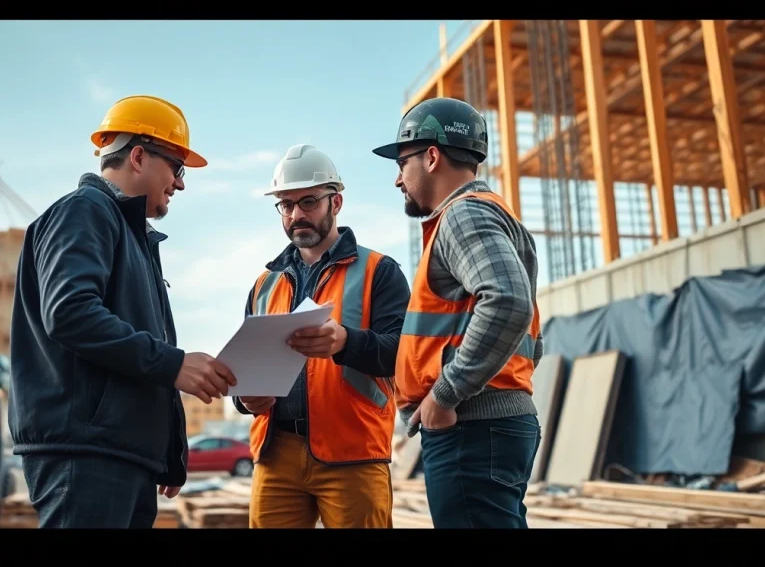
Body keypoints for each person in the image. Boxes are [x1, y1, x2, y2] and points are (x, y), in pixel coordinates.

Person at [8, 94, 238, 528]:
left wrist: (167, 449)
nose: (181, 183)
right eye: (177, 167)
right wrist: (173, 364)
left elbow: (133, 343)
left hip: (117, 454)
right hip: (86, 454)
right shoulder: (85, 212)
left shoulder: (130, 234)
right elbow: (71, 313)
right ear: (137, 156)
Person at [372, 97, 544, 529]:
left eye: (402, 162)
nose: (398, 179)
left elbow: (509, 302)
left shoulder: (462, 215)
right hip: (490, 423)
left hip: (470, 427)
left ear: (431, 157)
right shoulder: (494, 215)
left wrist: (445, 395)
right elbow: (528, 336)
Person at [233, 144, 411, 528]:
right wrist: (246, 401)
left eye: (309, 201)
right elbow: (244, 370)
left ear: (337, 202)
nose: (297, 214)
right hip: (275, 456)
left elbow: (405, 356)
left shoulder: (380, 271)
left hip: (354, 454)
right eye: (286, 204)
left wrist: (346, 342)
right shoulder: (265, 284)